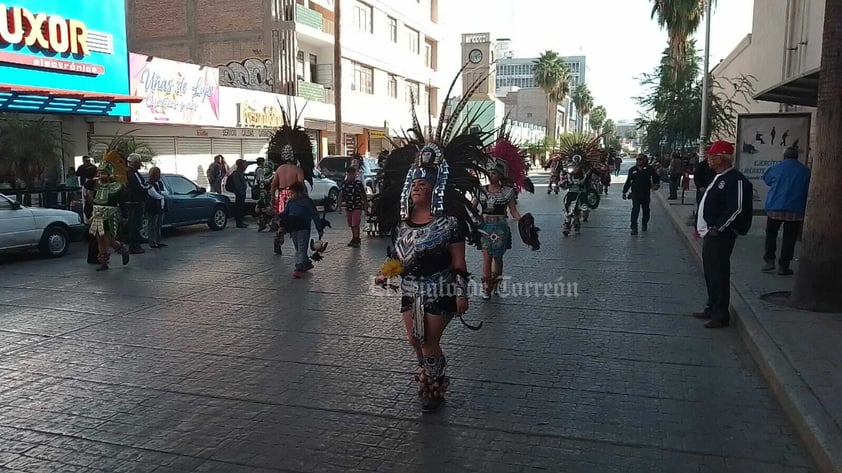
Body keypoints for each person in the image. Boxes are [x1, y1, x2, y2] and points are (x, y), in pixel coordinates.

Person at [371, 102, 486, 413]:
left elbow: (459, 263)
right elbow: (398, 258)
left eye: (425, 183)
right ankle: (429, 372)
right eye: (415, 184)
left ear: (436, 189)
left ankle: (433, 387)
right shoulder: (401, 226)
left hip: (440, 289)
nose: (418, 187)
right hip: (410, 290)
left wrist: (462, 294)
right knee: (414, 341)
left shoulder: (450, 224)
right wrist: (385, 273)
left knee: (429, 341)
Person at [692, 141, 753, 328]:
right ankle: (712, 306)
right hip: (709, 235)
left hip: (721, 235)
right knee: (711, 273)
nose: (708, 158)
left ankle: (720, 314)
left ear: (721, 158)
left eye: (712, 155)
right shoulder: (717, 177)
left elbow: (737, 208)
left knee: (719, 273)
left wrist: (718, 228)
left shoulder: (736, 180)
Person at [474, 137, 526, 299]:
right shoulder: (480, 190)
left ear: (501, 174)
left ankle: (496, 281)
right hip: (484, 228)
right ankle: (486, 287)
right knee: (486, 258)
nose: (491, 175)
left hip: (500, 228)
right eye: (489, 172)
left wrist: (523, 221)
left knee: (498, 257)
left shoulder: (507, 192)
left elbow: (513, 211)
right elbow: (471, 207)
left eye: (494, 172)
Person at [267, 117, 316, 254]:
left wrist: (272, 200)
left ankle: (279, 236)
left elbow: (273, 185)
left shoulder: (279, 169)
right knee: (296, 222)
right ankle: (299, 249)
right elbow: (301, 186)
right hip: (294, 198)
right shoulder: (298, 170)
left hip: (281, 197)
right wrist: (305, 200)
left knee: (283, 221)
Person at [762, 146, 811, 275]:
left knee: (771, 234)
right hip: (795, 209)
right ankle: (784, 266)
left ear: (784, 156)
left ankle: (769, 260)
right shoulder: (805, 171)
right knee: (789, 238)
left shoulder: (776, 168)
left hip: (775, 207)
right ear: (796, 156)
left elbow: (767, 180)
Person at [85, 163, 130, 271]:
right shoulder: (96, 184)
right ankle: (104, 262)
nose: (100, 175)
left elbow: (122, 202)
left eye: (103, 173)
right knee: (99, 239)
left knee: (108, 240)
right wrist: (96, 179)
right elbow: (87, 184)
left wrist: (125, 215)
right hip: (97, 214)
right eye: (99, 173)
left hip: (110, 214)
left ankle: (123, 250)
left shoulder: (117, 186)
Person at [277, 181, 325, 278]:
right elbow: (285, 213)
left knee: (301, 248)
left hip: (303, 228)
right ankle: (306, 263)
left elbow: (315, 215)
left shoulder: (307, 201)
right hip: (293, 228)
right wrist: (277, 216)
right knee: (298, 248)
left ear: (299, 192)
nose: (291, 195)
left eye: (293, 193)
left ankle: (298, 268)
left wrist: (319, 228)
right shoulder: (290, 202)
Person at [623, 154, 660, 235]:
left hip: (645, 193)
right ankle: (634, 228)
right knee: (635, 210)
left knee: (646, 210)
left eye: (640, 159)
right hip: (635, 194)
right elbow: (628, 181)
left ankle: (644, 223)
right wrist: (624, 191)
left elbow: (655, 177)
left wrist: (656, 184)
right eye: (637, 159)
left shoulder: (649, 169)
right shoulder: (632, 170)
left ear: (644, 160)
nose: (639, 161)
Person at [125, 153, 151, 254]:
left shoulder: (127, 172)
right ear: (135, 162)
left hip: (131, 202)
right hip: (136, 202)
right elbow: (141, 186)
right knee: (135, 225)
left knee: (133, 224)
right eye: (139, 161)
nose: (140, 163)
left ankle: (134, 244)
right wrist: (149, 185)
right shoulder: (133, 173)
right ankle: (134, 246)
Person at [337, 166, 366, 247]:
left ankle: (357, 240)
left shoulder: (358, 184)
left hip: (357, 207)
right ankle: (354, 238)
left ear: (356, 174)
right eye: (350, 174)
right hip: (348, 207)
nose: (351, 176)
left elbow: (363, 196)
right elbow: (340, 195)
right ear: (347, 174)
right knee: (351, 224)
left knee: (355, 224)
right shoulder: (344, 184)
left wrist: (366, 208)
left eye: (353, 174)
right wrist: (339, 207)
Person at [560, 157, 589, 236]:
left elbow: (588, 183)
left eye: (577, 166)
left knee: (577, 210)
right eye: (574, 166)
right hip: (571, 193)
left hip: (580, 194)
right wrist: (563, 183)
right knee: (567, 209)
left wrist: (583, 184)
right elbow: (563, 183)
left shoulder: (584, 172)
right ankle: (567, 225)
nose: (575, 168)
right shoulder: (569, 173)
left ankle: (576, 225)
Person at [145, 167, 168, 248]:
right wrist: (161, 194)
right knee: (152, 225)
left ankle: (158, 241)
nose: (159, 175)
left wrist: (161, 194)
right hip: (152, 207)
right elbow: (154, 194)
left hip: (161, 207)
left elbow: (166, 192)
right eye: (157, 173)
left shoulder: (160, 183)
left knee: (159, 225)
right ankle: (152, 242)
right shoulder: (149, 184)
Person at [254, 158, 276, 232]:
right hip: (264, 195)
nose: (265, 168)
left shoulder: (272, 175)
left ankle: (270, 224)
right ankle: (264, 224)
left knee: (268, 209)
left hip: (267, 195)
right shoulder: (263, 174)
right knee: (263, 209)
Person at [228, 159, 249, 228]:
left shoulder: (240, 173)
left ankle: (240, 222)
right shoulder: (236, 173)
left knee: (241, 208)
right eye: (244, 164)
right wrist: (241, 192)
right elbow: (237, 185)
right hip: (239, 194)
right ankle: (239, 223)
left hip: (241, 193)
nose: (245, 166)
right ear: (240, 165)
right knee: (239, 208)